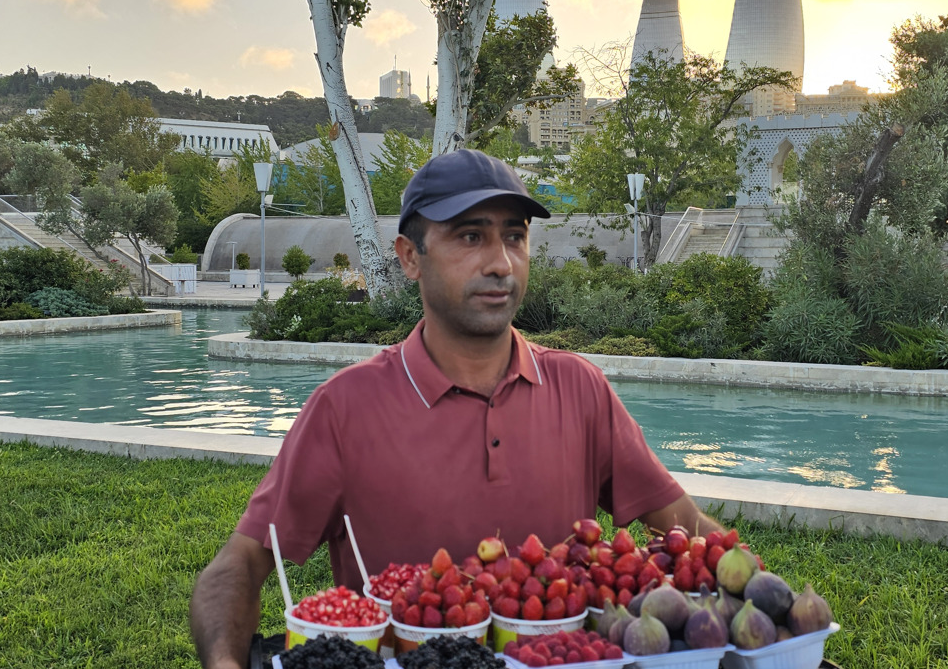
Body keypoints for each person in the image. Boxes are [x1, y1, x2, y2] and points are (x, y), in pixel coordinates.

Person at [189, 150, 720, 669]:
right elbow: (239, 566)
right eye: (471, 236)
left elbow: (690, 532)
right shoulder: (345, 408)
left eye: (515, 236)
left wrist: (776, 611)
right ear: (409, 256)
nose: (500, 262)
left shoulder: (580, 388)